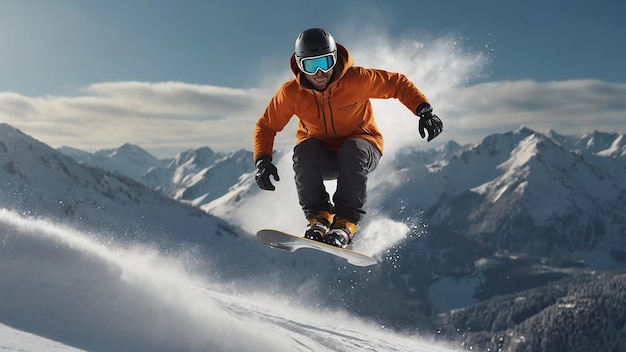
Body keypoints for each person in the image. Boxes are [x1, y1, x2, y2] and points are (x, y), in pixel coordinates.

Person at [253, 28, 442, 248]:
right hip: (322, 156)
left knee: (352, 149)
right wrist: (263, 160)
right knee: (303, 151)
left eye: (325, 62)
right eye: (311, 66)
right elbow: (266, 126)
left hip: (362, 149)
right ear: (299, 66)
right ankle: (319, 218)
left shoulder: (357, 79)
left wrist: (423, 110)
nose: (320, 72)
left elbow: (397, 83)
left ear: (335, 59)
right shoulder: (290, 93)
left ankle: (345, 223)